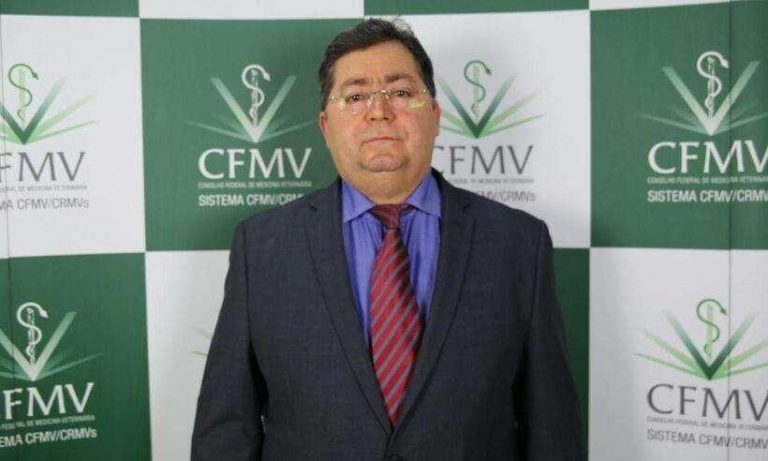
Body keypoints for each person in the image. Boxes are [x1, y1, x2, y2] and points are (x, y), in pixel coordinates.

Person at [192, 18, 584, 461]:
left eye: (399, 92)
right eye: (355, 96)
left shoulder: (519, 243)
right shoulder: (261, 247)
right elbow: (226, 431)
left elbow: (553, 429)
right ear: (325, 125)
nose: (378, 111)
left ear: (435, 115)